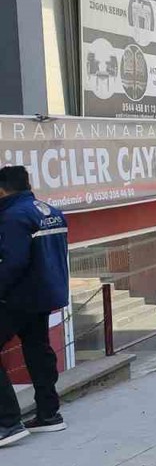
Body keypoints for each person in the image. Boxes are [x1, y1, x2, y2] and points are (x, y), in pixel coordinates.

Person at [0, 166, 70, 448]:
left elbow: (12, 263)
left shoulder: (12, 217)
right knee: (38, 349)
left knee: (36, 349)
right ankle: (49, 414)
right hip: (45, 294)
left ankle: (7, 423)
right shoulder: (49, 210)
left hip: (18, 297)